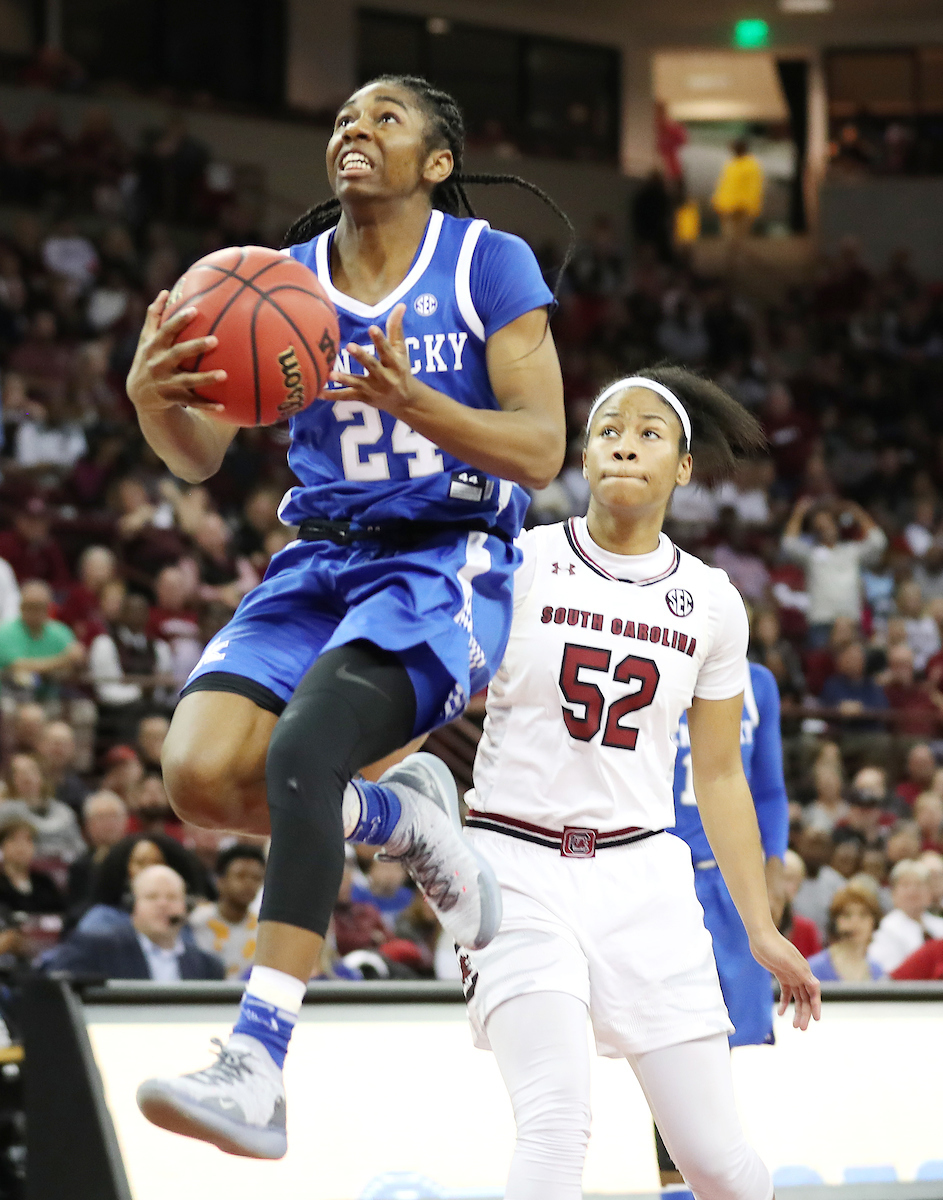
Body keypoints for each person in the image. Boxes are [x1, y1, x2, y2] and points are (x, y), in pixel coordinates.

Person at [128, 74, 568, 1160]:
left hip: (444, 557)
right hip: (320, 556)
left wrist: (415, 401)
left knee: (307, 750)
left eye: (386, 118)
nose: (354, 130)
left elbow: (542, 450)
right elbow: (197, 461)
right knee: (196, 779)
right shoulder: (274, 281)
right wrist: (152, 402)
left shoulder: (484, 263)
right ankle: (406, 819)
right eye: (342, 118)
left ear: (435, 161)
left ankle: (258, 1063)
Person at [460, 370, 819, 1200]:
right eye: (607, 427)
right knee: (555, 1123)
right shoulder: (520, 561)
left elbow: (723, 775)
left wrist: (759, 928)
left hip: (642, 876)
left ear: (684, 470)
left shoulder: (713, 603)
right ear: (582, 453)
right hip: (514, 869)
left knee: (716, 1164)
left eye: (650, 431)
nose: (624, 439)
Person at [656, 660, 787, 1184]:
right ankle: (677, 1187)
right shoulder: (657, 660)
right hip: (663, 875)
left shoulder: (758, 684)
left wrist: (773, 865)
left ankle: (710, 1184)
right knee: (671, 1044)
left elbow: (770, 788)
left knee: (726, 1049)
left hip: (731, 880)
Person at [44, 864, 224, 981]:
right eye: (152, 897)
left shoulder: (208, 966)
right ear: (133, 906)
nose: (163, 904)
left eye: (172, 897)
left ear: (186, 907)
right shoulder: (96, 948)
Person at [781, 497, 887, 649]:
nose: (826, 528)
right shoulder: (812, 554)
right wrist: (800, 513)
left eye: (829, 524)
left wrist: (857, 513)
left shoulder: (851, 551)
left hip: (850, 620)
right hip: (821, 622)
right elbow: (788, 544)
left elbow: (878, 542)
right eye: (820, 526)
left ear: (836, 526)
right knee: (821, 665)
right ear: (815, 530)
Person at [0, 579, 85, 701]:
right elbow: (18, 665)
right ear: (21, 607)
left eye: (40, 607)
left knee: (84, 707)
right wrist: (64, 659)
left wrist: (79, 658)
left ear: (49, 607)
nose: (35, 612)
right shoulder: (5, 632)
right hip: (12, 693)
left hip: (53, 693)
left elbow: (73, 663)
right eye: (30, 606)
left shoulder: (61, 632)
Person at [189, 845, 265, 979]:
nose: (249, 883)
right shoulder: (196, 922)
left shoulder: (263, 928)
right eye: (240, 876)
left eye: (256, 878)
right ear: (220, 881)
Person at [868, 859, 943, 973]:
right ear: (893, 894)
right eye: (905, 885)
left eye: (919, 884)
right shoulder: (887, 929)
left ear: (929, 893)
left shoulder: (939, 924)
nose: (913, 891)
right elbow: (889, 973)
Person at [807, 884, 884, 982]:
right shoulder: (814, 969)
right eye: (847, 915)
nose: (855, 922)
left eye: (863, 915)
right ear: (835, 922)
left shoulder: (878, 971)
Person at [66, 790, 129, 909]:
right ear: (88, 824)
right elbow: (76, 909)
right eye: (101, 817)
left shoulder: (136, 859)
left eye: (113, 816)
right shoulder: (79, 866)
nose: (109, 823)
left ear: (125, 820)